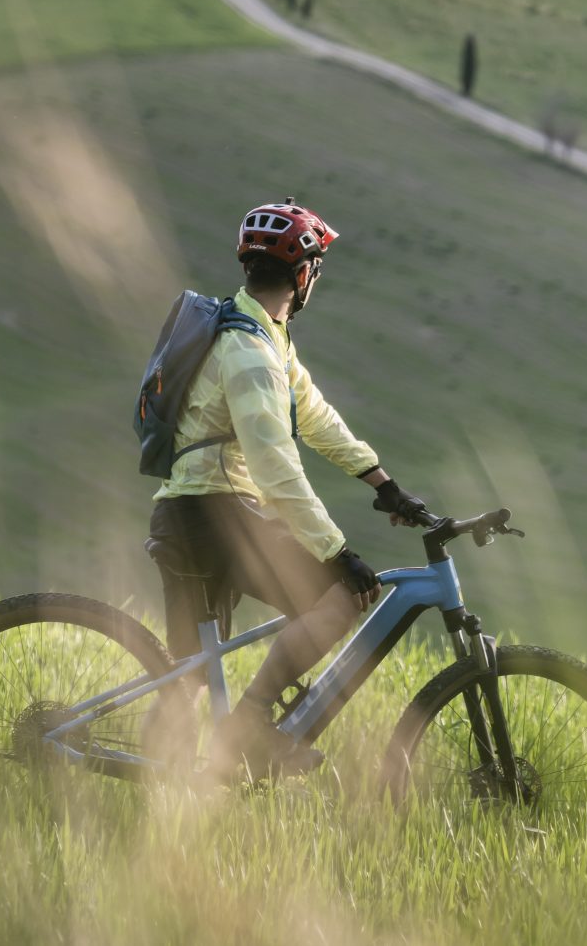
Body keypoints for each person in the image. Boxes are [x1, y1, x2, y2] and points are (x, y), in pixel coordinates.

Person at [145, 200, 437, 780]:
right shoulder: (249, 352)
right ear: (303, 275)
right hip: (216, 513)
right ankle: (252, 723)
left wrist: (382, 482)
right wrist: (336, 551)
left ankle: (160, 794)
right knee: (338, 598)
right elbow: (276, 467)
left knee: (192, 675)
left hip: (191, 513)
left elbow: (317, 416)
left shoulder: (261, 332)